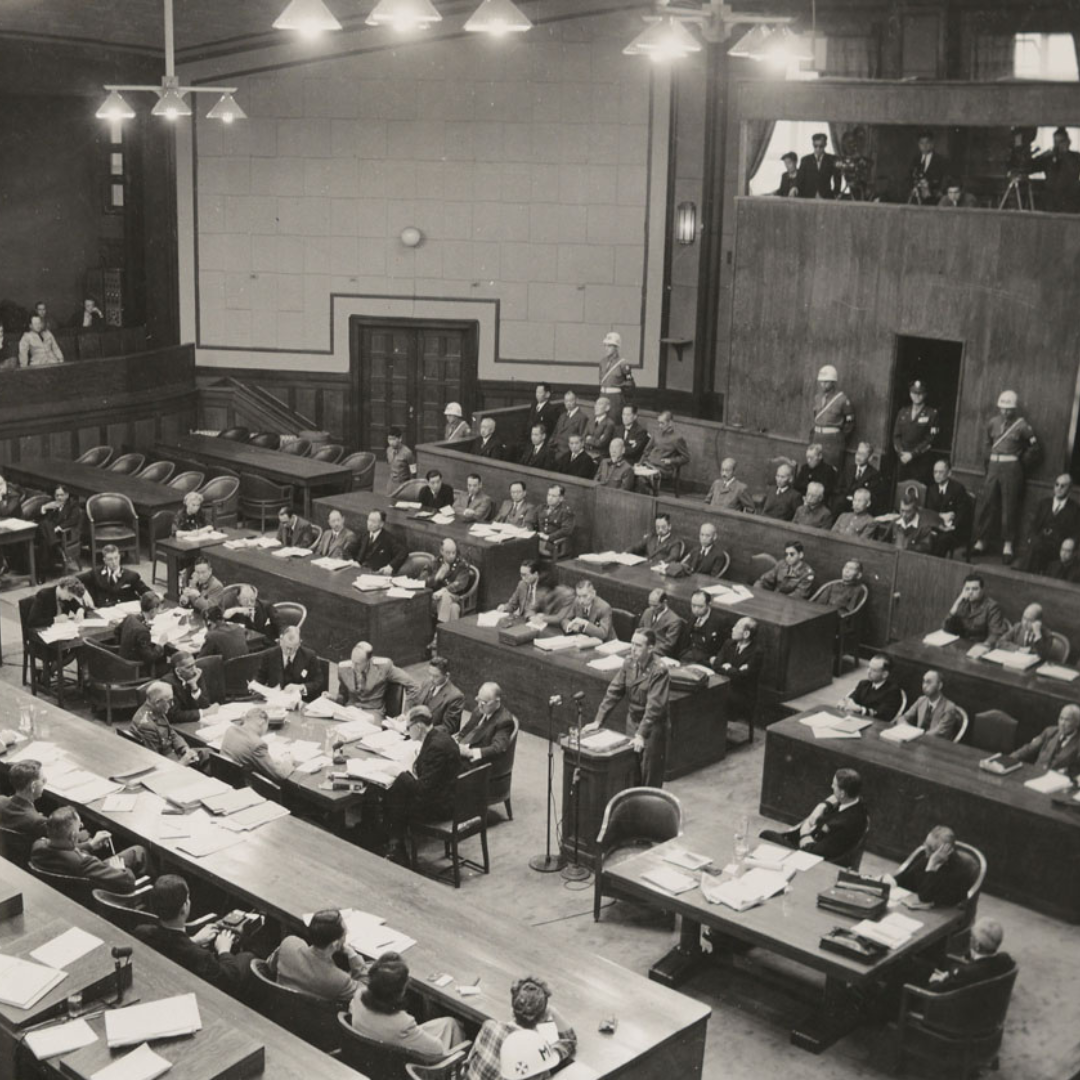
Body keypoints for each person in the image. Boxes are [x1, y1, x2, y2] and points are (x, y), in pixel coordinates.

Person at [135, 875, 252, 994]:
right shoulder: (201, 956)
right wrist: (224, 949)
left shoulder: (142, 932)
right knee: (247, 957)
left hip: (163, 980)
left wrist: (193, 940)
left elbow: (172, 946)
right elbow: (230, 979)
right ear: (184, 907)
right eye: (188, 898)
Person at [585, 629, 669, 787]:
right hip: (633, 721)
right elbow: (614, 691)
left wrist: (641, 735)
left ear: (650, 648)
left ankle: (648, 809)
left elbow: (654, 707)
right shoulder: (629, 662)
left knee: (649, 773)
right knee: (631, 769)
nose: (633, 649)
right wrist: (598, 720)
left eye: (638, 646)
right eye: (632, 644)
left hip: (651, 728)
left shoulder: (659, 670)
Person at [349, 951, 464, 1058]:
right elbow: (437, 1049)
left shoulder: (358, 996)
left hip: (373, 1049)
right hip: (399, 1060)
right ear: (401, 991)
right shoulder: (403, 1023)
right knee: (453, 1030)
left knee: (450, 1023)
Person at [383, 706, 462, 859]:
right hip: (445, 796)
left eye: (408, 727)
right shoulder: (439, 737)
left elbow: (422, 789)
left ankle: (396, 847)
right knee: (398, 789)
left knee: (396, 790)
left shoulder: (435, 748)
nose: (406, 730)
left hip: (441, 807)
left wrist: (401, 773)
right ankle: (393, 840)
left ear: (418, 727)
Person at [971, 390, 1040, 564]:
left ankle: (1008, 545)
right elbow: (988, 444)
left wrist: (1019, 462)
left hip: (1011, 467)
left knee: (1009, 507)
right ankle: (981, 540)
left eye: (1009, 409)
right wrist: (988, 462)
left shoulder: (1022, 426)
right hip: (994, 466)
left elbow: (1035, 448)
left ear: (1014, 408)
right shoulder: (993, 422)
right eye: (1003, 408)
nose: (1005, 412)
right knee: (988, 503)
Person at [466, 975, 576, 1080]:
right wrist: (552, 1011)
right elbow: (569, 1041)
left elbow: (469, 1061)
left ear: (512, 1010)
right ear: (543, 1018)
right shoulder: (535, 1051)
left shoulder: (489, 1027)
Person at [0, 760, 114, 853]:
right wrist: (90, 843)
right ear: (33, 786)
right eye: (43, 780)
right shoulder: (38, 821)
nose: (46, 781)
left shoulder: (1, 801)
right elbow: (60, 850)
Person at [759, 769, 867, 862]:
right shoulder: (856, 802)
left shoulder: (845, 825)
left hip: (812, 855)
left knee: (766, 836)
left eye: (834, 785)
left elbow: (812, 852)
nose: (831, 786)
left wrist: (804, 831)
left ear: (842, 793)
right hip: (818, 839)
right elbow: (833, 798)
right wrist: (822, 806)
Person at [31, 807, 147, 894]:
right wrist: (121, 869)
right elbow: (127, 882)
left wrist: (90, 845)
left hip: (64, 887)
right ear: (72, 836)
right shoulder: (84, 862)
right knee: (139, 852)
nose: (81, 826)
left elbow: (62, 850)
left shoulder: (38, 846)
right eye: (79, 827)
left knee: (135, 852)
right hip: (98, 889)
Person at [267, 909, 368, 1006]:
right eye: (345, 933)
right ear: (335, 944)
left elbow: (270, 966)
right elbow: (366, 993)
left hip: (280, 1005)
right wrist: (353, 955)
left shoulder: (289, 944)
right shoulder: (340, 980)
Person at [883, 825, 972, 908]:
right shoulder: (926, 855)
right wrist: (890, 881)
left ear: (947, 850)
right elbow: (907, 878)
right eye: (925, 844)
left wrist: (931, 867)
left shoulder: (958, 871)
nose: (926, 850)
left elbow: (925, 897)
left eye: (931, 848)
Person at [917, 918, 1016, 992]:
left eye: (971, 937)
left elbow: (934, 991)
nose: (969, 939)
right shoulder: (1006, 959)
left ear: (977, 945)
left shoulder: (965, 974)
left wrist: (937, 980)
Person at [333, 640, 419, 716]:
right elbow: (343, 695)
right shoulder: (343, 668)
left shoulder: (383, 667)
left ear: (368, 661)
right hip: (350, 712)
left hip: (373, 712)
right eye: (352, 661)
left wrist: (406, 714)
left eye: (357, 663)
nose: (353, 666)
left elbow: (413, 686)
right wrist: (333, 698)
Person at [1019, 473, 1080, 574]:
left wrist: (1071, 541)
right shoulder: (1044, 503)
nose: (1059, 488)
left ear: (1069, 489)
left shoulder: (1075, 509)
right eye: (1057, 484)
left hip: (1058, 545)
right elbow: (1033, 525)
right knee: (1035, 547)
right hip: (1040, 542)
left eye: (1063, 486)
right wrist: (1031, 538)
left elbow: (1077, 531)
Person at [132, 682, 202, 764]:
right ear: (158, 702)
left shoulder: (157, 710)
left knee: (207, 754)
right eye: (170, 701)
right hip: (171, 764)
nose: (172, 705)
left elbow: (171, 733)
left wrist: (184, 748)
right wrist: (184, 762)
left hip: (174, 755)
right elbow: (155, 763)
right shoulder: (146, 725)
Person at [222, 707, 293, 781]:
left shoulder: (230, 730)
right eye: (267, 726)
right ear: (262, 723)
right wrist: (288, 760)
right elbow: (280, 775)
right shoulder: (257, 744)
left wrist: (269, 760)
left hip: (224, 779)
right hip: (244, 787)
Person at [713, 617, 761, 725]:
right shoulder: (729, 643)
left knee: (714, 698)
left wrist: (728, 667)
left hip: (742, 693)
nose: (733, 629)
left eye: (737, 627)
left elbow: (743, 676)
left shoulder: (756, 652)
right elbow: (716, 665)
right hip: (725, 684)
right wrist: (735, 670)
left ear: (746, 634)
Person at [893, 380, 940, 487]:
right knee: (900, 490)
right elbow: (896, 436)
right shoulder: (903, 412)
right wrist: (901, 453)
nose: (917, 396)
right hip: (903, 460)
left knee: (918, 491)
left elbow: (931, 440)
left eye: (920, 393)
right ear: (910, 394)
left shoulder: (932, 414)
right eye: (914, 393)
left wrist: (913, 454)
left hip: (920, 462)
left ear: (925, 394)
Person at [1014, 704, 1080, 778]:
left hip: (1057, 781)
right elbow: (1028, 749)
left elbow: (1076, 771)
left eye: (1067, 720)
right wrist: (1008, 759)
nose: (1062, 723)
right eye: (1061, 718)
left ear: (1077, 723)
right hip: (1035, 775)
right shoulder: (1050, 732)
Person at [260, 625, 325, 701]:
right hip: (275, 700)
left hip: (300, 702)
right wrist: (254, 686)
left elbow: (318, 681)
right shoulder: (269, 655)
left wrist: (301, 687)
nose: (288, 652)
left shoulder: (309, 656)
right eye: (286, 647)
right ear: (281, 641)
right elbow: (260, 676)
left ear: (299, 644)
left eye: (292, 649)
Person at [456, 682, 515, 764]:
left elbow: (497, 748)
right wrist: (456, 742)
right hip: (462, 749)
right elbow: (465, 731)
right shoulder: (479, 710)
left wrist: (470, 753)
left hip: (477, 760)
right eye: (478, 700)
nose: (479, 705)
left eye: (484, 703)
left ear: (497, 701)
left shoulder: (505, 721)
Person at [894, 670, 963, 739]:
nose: (924, 685)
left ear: (939, 686)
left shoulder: (949, 707)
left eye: (929, 682)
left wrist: (913, 733)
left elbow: (938, 733)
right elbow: (903, 718)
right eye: (923, 681)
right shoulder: (921, 700)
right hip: (918, 741)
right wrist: (906, 727)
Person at [810, 366, 855, 470]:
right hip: (817, 437)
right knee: (815, 468)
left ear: (833, 382)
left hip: (833, 441)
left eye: (826, 382)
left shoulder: (842, 399)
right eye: (821, 382)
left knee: (831, 469)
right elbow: (815, 418)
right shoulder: (817, 398)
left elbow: (850, 423)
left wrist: (838, 437)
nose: (823, 385)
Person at [924, 460, 972, 557]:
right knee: (924, 534)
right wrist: (940, 516)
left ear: (949, 473)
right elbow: (929, 511)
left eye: (941, 472)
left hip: (954, 528)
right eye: (935, 472)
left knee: (943, 539)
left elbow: (962, 514)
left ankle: (935, 564)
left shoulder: (958, 489)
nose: (937, 475)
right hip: (937, 525)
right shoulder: (931, 489)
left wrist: (951, 527)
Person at [943, 573, 1007, 644]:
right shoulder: (963, 603)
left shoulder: (992, 607)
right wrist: (957, 602)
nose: (970, 592)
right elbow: (946, 628)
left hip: (980, 645)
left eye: (975, 589)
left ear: (982, 590)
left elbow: (995, 634)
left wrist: (984, 646)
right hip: (962, 644)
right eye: (967, 589)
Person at [1029, 126, 1080, 213]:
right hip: (1051, 202)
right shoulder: (1049, 159)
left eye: (1061, 142)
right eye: (1055, 142)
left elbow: (1074, 171)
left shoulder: (1075, 157)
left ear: (1068, 142)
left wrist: (1065, 154)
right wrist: (1042, 156)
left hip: (1070, 202)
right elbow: (1031, 167)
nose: (1058, 146)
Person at [80, 544, 149, 607]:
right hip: (103, 611)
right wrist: (84, 592)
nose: (114, 562)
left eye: (116, 558)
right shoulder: (96, 573)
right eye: (110, 559)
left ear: (119, 557)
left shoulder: (131, 575)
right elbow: (73, 580)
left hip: (126, 611)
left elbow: (146, 592)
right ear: (105, 560)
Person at [839, 653, 903, 719]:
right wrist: (845, 703)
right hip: (856, 720)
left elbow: (883, 715)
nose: (868, 671)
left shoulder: (893, 691)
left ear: (884, 674)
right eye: (869, 667)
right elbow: (852, 698)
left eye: (874, 670)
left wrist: (860, 709)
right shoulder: (864, 684)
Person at [165, 651, 222, 724]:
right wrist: (204, 712)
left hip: (194, 721)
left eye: (194, 665)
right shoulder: (168, 684)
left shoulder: (196, 675)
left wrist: (194, 687)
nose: (194, 670)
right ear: (178, 671)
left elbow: (205, 704)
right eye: (189, 667)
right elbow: (174, 715)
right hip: (179, 725)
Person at [424, 538, 471, 624]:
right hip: (437, 598)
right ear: (441, 551)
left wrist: (443, 590)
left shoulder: (462, 565)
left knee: (446, 596)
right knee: (454, 608)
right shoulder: (436, 562)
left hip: (456, 597)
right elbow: (422, 580)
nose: (451, 555)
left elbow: (460, 584)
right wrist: (437, 577)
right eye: (448, 553)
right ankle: (448, 635)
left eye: (454, 552)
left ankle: (439, 629)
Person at [37, 485, 82, 574]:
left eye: (61, 495)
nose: (59, 498)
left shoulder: (73, 505)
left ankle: (41, 573)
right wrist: (44, 508)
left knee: (44, 542)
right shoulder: (52, 505)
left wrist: (59, 528)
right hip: (51, 534)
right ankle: (54, 545)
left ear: (67, 495)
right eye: (57, 495)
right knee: (44, 523)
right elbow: (40, 520)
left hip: (64, 534)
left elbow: (73, 520)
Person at [414, 655, 465, 734]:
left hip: (433, 736)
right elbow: (417, 704)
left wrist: (425, 731)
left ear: (447, 676)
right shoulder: (426, 683)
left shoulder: (456, 697)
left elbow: (448, 727)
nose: (431, 678)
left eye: (436, 676)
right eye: (429, 674)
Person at [835, 441, 886, 516]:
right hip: (844, 504)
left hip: (861, 507)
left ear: (870, 458)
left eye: (862, 455)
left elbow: (872, 496)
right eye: (858, 453)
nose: (858, 457)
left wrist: (855, 499)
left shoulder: (874, 474)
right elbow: (839, 488)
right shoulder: (848, 469)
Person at [119, 591, 167, 669]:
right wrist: (161, 644)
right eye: (158, 610)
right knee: (167, 665)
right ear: (153, 610)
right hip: (135, 669)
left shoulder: (130, 617)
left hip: (122, 659)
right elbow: (150, 658)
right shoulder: (143, 632)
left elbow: (117, 631)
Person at [27, 575, 91, 631]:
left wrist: (80, 611)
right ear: (65, 588)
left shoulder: (66, 595)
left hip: (61, 631)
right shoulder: (44, 595)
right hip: (46, 633)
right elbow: (32, 621)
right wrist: (55, 619)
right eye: (69, 596)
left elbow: (79, 607)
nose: (70, 599)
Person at [679, 590, 726, 666]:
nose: (696, 610)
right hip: (687, 657)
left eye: (700, 606)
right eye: (693, 605)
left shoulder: (720, 621)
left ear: (709, 604)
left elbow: (722, 646)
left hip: (705, 661)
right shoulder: (692, 617)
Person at [354, 509, 406, 574]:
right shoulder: (364, 535)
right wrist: (352, 561)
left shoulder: (388, 538)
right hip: (358, 570)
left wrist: (390, 566)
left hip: (375, 574)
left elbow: (403, 552)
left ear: (381, 524)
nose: (369, 523)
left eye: (373, 521)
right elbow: (348, 550)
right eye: (369, 520)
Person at [641, 411, 690, 481]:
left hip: (663, 469)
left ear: (670, 423)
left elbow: (686, 458)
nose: (659, 426)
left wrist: (671, 461)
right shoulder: (656, 433)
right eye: (659, 423)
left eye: (662, 423)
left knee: (643, 479)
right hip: (649, 464)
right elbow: (646, 450)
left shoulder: (677, 438)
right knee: (632, 474)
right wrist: (640, 463)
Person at [637, 589, 684, 659]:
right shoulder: (647, 612)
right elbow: (639, 631)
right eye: (650, 605)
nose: (652, 608)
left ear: (664, 603)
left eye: (655, 606)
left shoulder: (674, 620)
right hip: (640, 650)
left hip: (658, 655)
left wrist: (647, 651)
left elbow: (668, 646)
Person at [796, 132, 840, 200]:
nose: (818, 149)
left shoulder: (832, 159)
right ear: (812, 144)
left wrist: (836, 193)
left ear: (825, 144)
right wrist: (795, 188)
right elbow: (799, 178)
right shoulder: (805, 160)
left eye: (821, 146)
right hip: (807, 196)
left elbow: (837, 178)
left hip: (826, 196)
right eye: (815, 146)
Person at [909, 130, 948, 202]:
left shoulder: (941, 160)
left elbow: (945, 179)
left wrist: (939, 192)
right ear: (918, 145)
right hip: (917, 198)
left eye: (927, 142)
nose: (924, 146)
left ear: (932, 144)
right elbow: (910, 177)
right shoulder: (915, 160)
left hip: (934, 199)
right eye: (921, 143)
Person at [537, 484, 575, 555]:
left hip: (555, 544)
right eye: (548, 495)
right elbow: (530, 522)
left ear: (561, 498)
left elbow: (566, 531)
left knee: (530, 548)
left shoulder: (566, 512)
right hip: (540, 540)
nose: (549, 498)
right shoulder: (541, 508)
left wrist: (548, 537)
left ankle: (528, 565)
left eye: (553, 496)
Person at [599, 332, 634, 407]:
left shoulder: (623, 363)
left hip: (615, 398)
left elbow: (629, 384)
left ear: (616, 347)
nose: (606, 348)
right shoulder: (602, 362)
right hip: (602, 395)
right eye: (605, 345)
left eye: (609, 346)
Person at [583, 396, 616, 461]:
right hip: (587, 452)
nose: (596, 407)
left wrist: (589, 439)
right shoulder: (591, 420)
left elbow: (601, 443)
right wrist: (595, 439)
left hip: (599, 456)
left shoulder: (609, 424)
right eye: (596, 404)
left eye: (600, 404)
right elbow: (583, 438)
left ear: (607, 408)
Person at [386, 427, 417, 494]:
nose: (391, 442)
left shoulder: (408, 453)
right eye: (389, 439)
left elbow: (413, 472)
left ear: (400, 439)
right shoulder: (389, 450)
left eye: (393, 439)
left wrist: (410, 487)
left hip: (403, 485)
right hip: (391, 484)